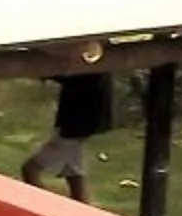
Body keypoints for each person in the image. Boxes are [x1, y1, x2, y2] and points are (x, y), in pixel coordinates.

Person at [21, 72, 116, 203]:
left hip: (77, 123)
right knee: (74, 177)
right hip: (82, 121)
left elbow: (74, 76)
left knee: (30, 170)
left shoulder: (89, 62)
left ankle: (45, 211)